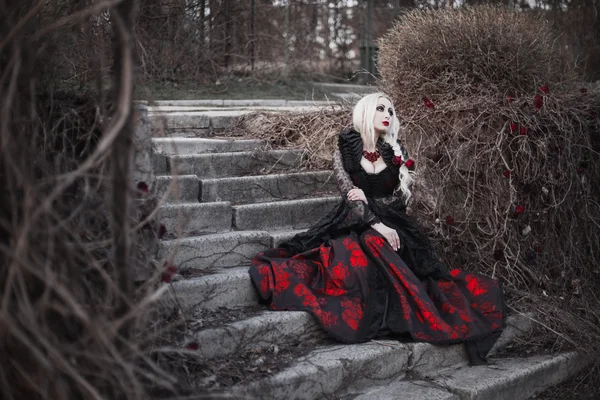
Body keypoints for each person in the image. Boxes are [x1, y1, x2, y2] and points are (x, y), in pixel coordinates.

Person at [249, 93, 505, 365]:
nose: (387, 114)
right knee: (367, 244)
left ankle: (409, 311)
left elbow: (401, 198)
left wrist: (378, 216)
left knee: (377, 241)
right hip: (353, 222)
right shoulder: (346, 145)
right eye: (381, 108)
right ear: (366, 112)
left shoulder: (396, 151)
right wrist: (374, 221)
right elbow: (349, 192)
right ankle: (397, 313)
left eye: (391, 111)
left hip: (394, 224)